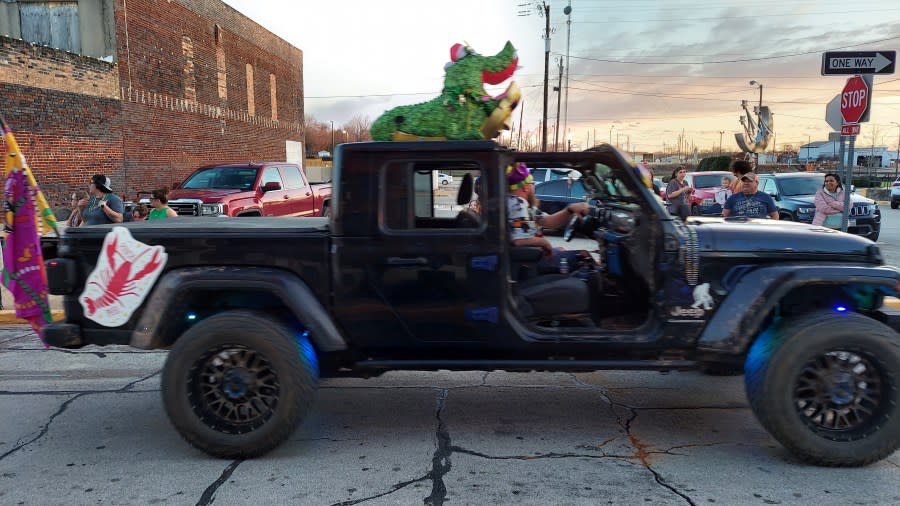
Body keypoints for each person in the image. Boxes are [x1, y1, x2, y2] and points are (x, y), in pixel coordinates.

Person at [506, 162, 589, 272]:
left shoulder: (521, 205)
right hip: (532, 262)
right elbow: (520, 241)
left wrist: (570, 209)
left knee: (564, 251)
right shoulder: (518, 203)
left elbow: (548, 221)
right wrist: (545, 244)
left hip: (534, 257)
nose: (534, 186)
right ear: (526, 187)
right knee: (585, 258)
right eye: (532, 183)